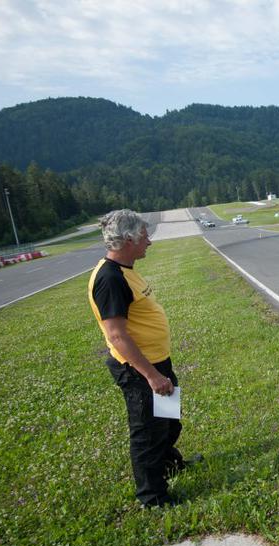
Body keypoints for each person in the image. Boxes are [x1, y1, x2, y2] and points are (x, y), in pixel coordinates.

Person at [87, 209, 198, 507]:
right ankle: (153, 497)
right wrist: (151, 376)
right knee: (148, 433)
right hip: (140, 370)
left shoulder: (125, 270)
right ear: (127, 239)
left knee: (169, 424)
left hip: (157, 362)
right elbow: (117, 336)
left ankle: (170, 465)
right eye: (144, 236)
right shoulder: (109, 278)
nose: (149, 241)